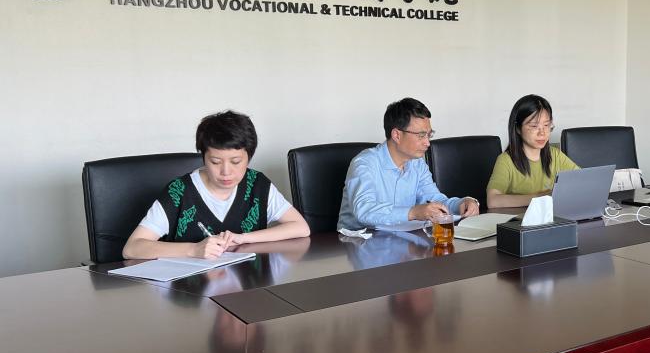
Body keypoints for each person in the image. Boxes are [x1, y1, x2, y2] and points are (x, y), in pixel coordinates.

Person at [123, 110, 310, 259]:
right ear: (203, 157)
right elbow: (132, 248)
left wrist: (243, 238)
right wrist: (193, 250)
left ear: (249, 157)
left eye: (236, 162)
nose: (226, 171)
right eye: (215, 162)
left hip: (247, 288)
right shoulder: (179, 192)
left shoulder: (257, 184)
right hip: (189, 293)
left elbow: (301, 227)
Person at [337, 97, 480, 230]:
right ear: (397, 135)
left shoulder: (417, 164)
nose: (427, 143)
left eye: (429, 135)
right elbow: (364, 210)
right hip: (356, 242)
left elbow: (434, 200)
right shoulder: (364, 163)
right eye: (421, 135)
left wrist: (462, 203)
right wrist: (413, 212)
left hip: (399, 239)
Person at [486, 94, 579, 208]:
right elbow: (493, 201)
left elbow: (584, 181)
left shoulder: (555, 155)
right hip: (521, 218)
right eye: (534, 126)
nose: (542, 133)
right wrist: (541, 197)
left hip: (552, 217)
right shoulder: (506, 160)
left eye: (546, 125)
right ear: (518, 128)